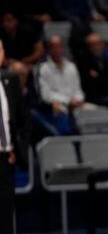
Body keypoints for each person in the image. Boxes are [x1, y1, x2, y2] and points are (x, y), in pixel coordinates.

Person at [1, 39, 31, 234]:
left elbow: (23, 119)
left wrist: (16, 149)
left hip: (5, 158)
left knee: (5, 215)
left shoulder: (10, 79)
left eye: (0, 48)